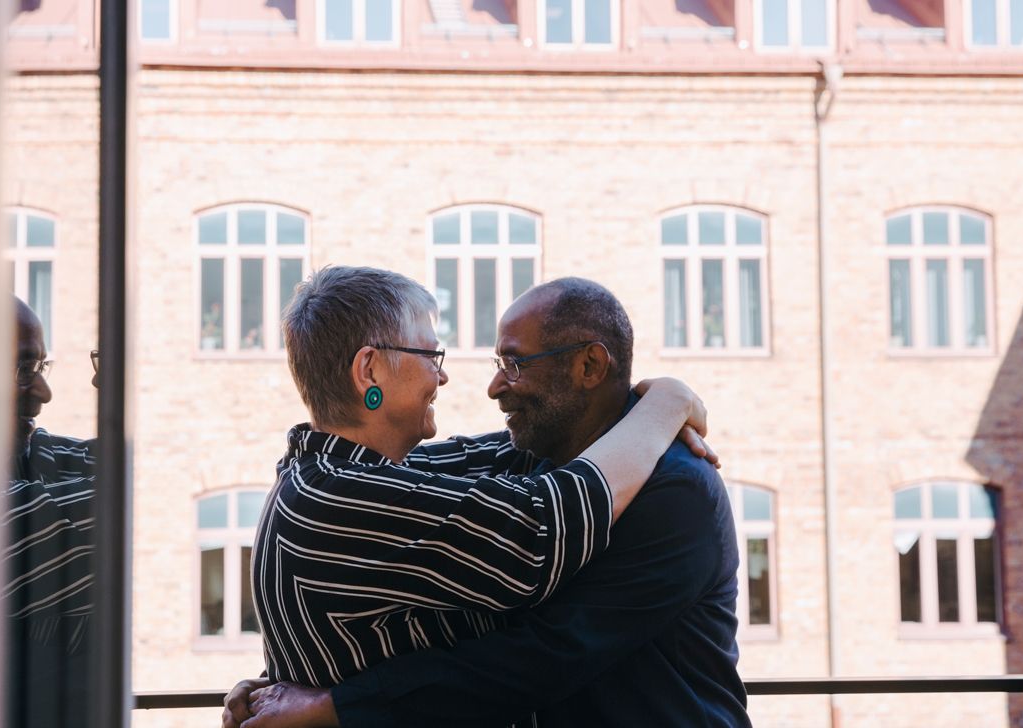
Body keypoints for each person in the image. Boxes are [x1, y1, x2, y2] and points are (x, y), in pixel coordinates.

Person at [223, 278, 749, 728]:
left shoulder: (673, 489)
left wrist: (328, 699)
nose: (488, 385)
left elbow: (548, 653)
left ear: (590, 366)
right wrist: (665, 403)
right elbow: (543, 527)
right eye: (431, 356)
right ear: (371, 372)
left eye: (515, 365)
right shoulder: (340, 493)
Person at [6, 297, 97, 728]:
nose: (44, 392)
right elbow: (106, 523)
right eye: (24, 370)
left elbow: (124, 476)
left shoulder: (25, 455)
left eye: (41, 368)